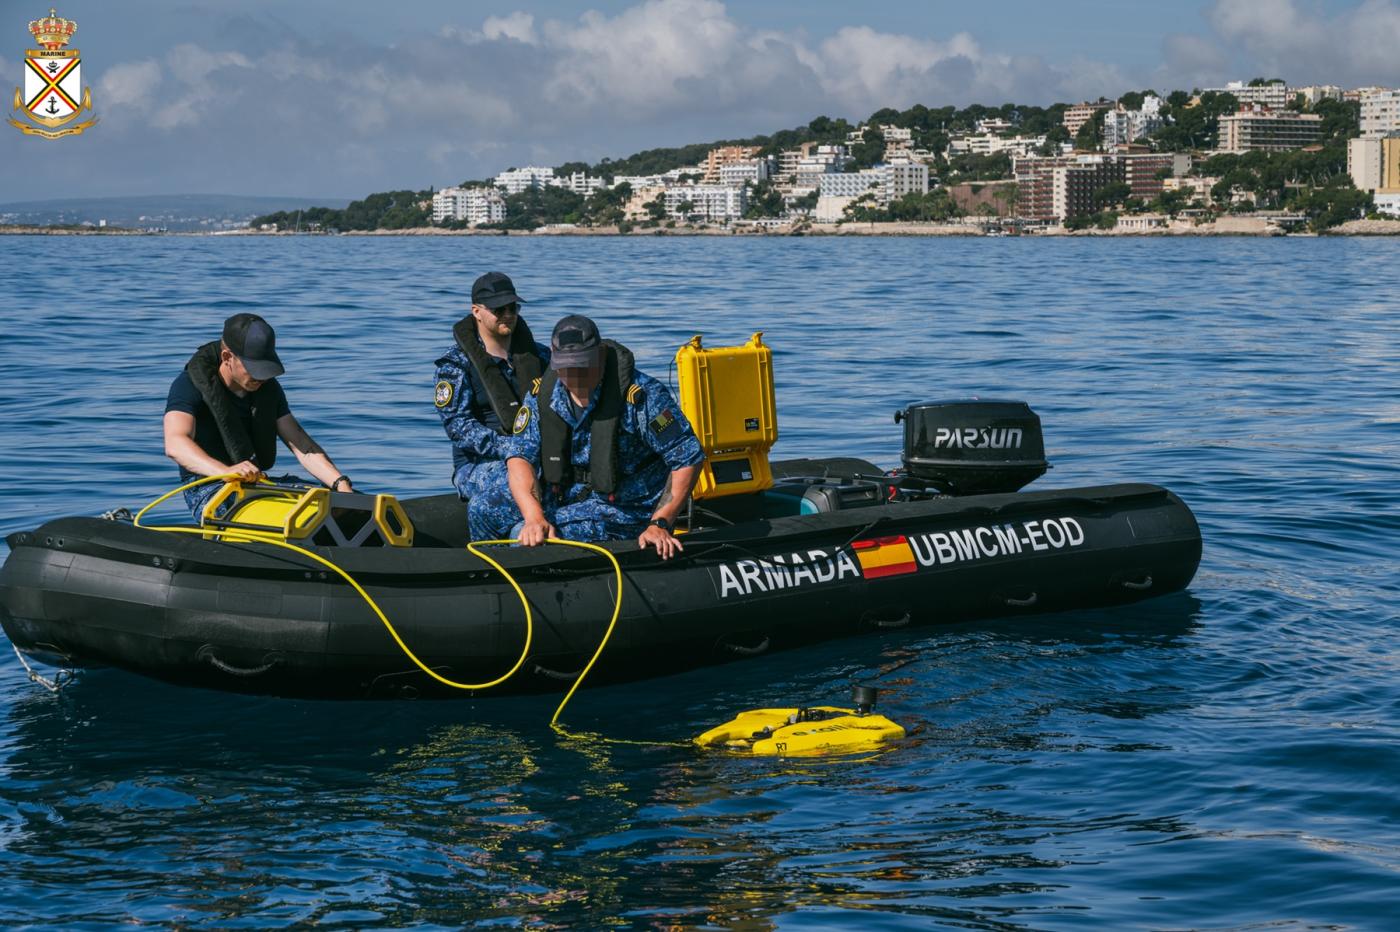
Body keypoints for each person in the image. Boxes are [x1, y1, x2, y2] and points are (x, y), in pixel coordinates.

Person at [470, 314, 704, 559]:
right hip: (565, 493)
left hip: (624, 508)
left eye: (583, 366)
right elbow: (520, 457)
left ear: (600, 355)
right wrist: (533, 516)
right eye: (566, 368)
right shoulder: (543, 395)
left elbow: (688, 457)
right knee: (482, 509)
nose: (575, 376)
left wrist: (660, 523)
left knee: (540, 538)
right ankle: (494, 580)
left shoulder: (642, 397)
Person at [163, 313, 354, 519]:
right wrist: (225, 472)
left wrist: (340, 483)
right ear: (228, 358)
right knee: (307, 518)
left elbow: (303, 446)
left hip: (257, 484)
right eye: (253, 368)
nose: (261, 376)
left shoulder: (268, 389)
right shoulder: (187, 386)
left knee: (350, 508)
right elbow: (175, 444)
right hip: (208, 489)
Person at [432, 271, 549, 535]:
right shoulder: (454, 364)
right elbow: (458, 426)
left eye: (513, 307)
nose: (508, 314)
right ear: (477, 311)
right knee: (515, 480)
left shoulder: (540, 356)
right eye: (499, 309)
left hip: (537, 454)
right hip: (479, 464)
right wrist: (514, 450)